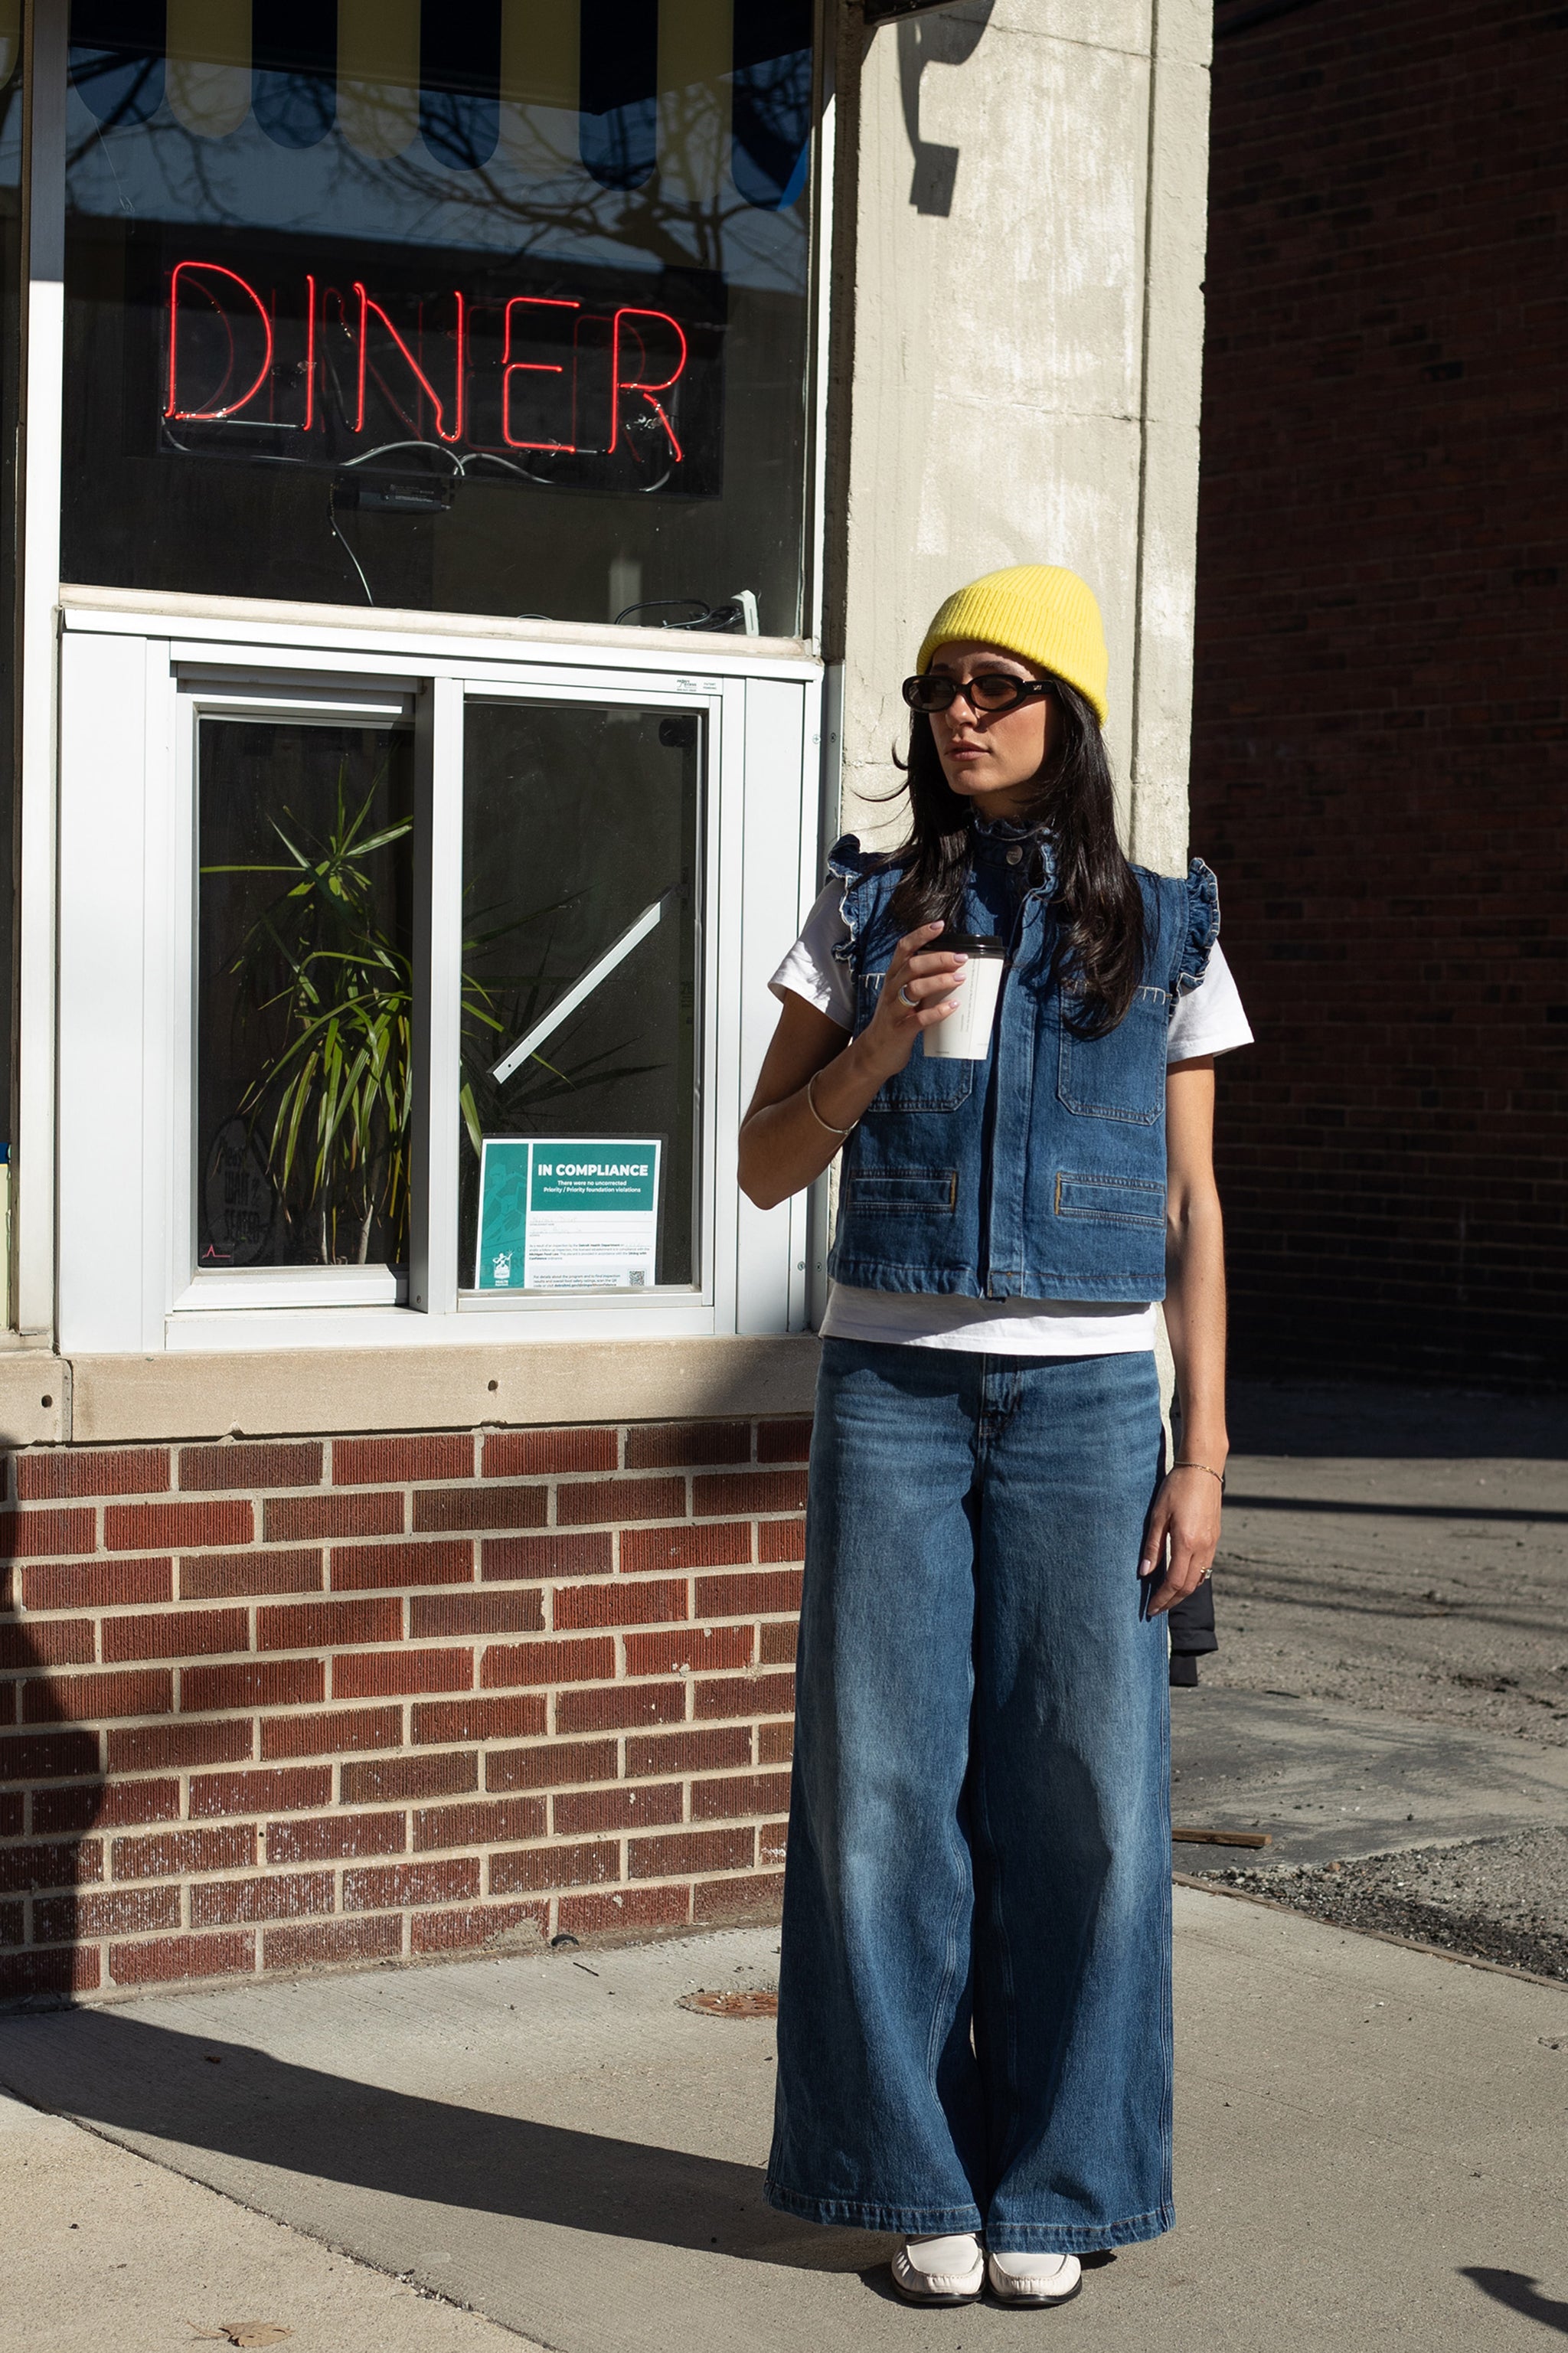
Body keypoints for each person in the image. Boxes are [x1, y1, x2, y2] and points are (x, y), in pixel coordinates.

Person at [737, 565, 1253, 2309]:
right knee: (881, 1795)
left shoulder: (1168, 927)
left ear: (1071, 709)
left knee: (1090, 1801)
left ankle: (1062, 2180)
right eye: (940, 686)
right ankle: (906, 2172)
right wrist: (878, 1038)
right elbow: (761, 1162)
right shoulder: (865, 913)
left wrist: (1206, 1452)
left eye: (997, 683)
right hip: (890, 1392)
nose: (958, 712)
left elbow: (1191, 1206)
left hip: (1095, 1406)